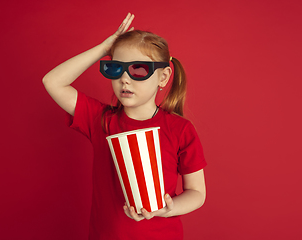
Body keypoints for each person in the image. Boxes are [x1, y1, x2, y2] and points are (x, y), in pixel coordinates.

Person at [43, 13, 207, 240]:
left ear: (163, 76)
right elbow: (53, 81)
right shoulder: (100, 120)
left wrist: (168, 208)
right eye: (115, 68)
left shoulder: (180, 129)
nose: (125, 79)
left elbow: (197, 192)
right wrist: (103, 49)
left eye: (138, 69)